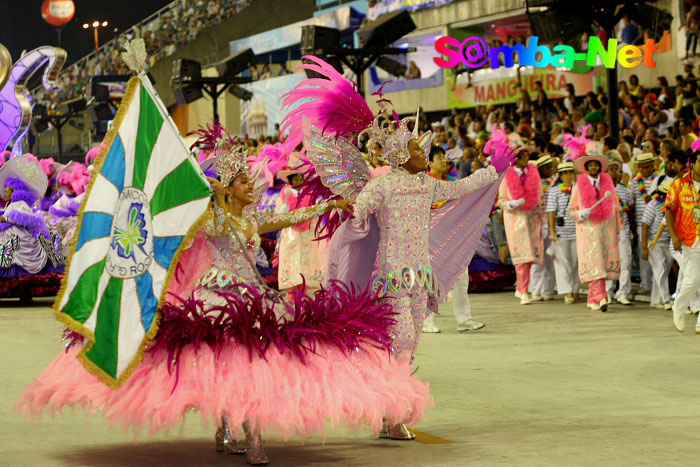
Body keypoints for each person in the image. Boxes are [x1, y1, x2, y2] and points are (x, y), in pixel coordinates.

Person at [18, 131, 433, 463]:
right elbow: (182, 213)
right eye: (243, 183)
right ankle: (237, 433)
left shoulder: (251, 218)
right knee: (230, 364)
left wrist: (326, 206)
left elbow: (288, 216)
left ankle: (242, 431)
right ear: (228, 190)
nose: (252, 187)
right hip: (219, 294)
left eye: (249, 182)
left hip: (254, 296)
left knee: (255, 364)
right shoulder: (215, 219)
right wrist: (205, 192)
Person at [423, 147, 486, 333]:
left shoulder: (452, 182)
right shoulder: (424, 183)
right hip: (431, 238)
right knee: (431, 279)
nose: (444, 161)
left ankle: (464, 320)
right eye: (439, 158)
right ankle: (426, 321)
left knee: (460, 278)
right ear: (429, 162)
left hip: (453, 238)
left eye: (444, 157)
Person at [569, 152, 621, 311]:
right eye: (590, 165)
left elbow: (616, 207)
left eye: (595, 165)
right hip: (588, 231)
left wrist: (620, 227)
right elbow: (571, 211)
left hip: (606, 230)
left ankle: (593, 297)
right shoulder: (578, 187)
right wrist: (579, 214)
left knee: (604, 262)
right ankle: (601, 296)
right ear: (586, 167)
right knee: (594, 262)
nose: (593, 167)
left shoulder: (608, 185)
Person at [498, 145, 543, 305]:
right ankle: (523, 290)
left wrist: (542, 220)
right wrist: (512, 203)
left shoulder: (534, 173)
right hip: (515, 220)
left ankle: (522, 288)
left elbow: (540, 197)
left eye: (526, 155)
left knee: (530, 257)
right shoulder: (506, 176)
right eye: (523, 155)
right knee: (521, 256)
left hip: (532, 219)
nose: (526, 158)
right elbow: (501, 201)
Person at [667, 151, 700, 333]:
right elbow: (669, 211)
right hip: (688, 238)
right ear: (693, 164)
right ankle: (678, 307)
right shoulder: (679, 185)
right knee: (693, 278)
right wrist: (674, 237)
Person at [547, 162, 580, 304]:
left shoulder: (578, 189)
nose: (567, 176)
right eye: (564, 173)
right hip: (561, 232)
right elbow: (552, 213)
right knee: (563, 262)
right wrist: (552, 231)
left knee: (576, 261)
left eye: (570, 172)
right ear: (560, 175)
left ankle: (576, 289)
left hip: (577, 230)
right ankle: (567, 291)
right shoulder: (554, 190)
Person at [606, 152, 635, 305]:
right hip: (607, 231)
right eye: (611, 169)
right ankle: (608, 291)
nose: (614, 172)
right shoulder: (601, 190)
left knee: (625, 261)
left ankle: (623, 292)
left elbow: (630, 210)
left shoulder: (625, 190)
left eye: (616, 169)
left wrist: (632, 232)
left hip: (623, 231)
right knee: (610, 262)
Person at [643, 179, 673, 309]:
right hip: (653, 243)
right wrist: (644, 247)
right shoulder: (653, 205)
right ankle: (666, 301)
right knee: (660, 269)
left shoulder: (674, 206)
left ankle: (655, 300)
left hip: (667, 242)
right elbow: (644, 226)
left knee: (662, 272)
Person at [530, 155, 556, 301]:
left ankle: (548, 289)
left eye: (551, 167)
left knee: (549, 257)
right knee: (537, 257)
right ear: (540, 169)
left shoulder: (553, 184)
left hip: (549, 224)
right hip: (536, 224)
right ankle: (535, 290)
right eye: (547, 167)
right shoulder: (532, 183)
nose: (550, 170)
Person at [633, 153, 659, 293]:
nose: (643, 170)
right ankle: (645, 284)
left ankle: (657, 287)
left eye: (646, 167)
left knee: (657, 255)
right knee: (643, 255)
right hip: (640, 223)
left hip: (656, 224)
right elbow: (632, 204)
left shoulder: (660, 180)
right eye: (640, 167)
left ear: (652, 166)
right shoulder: (635, 182)